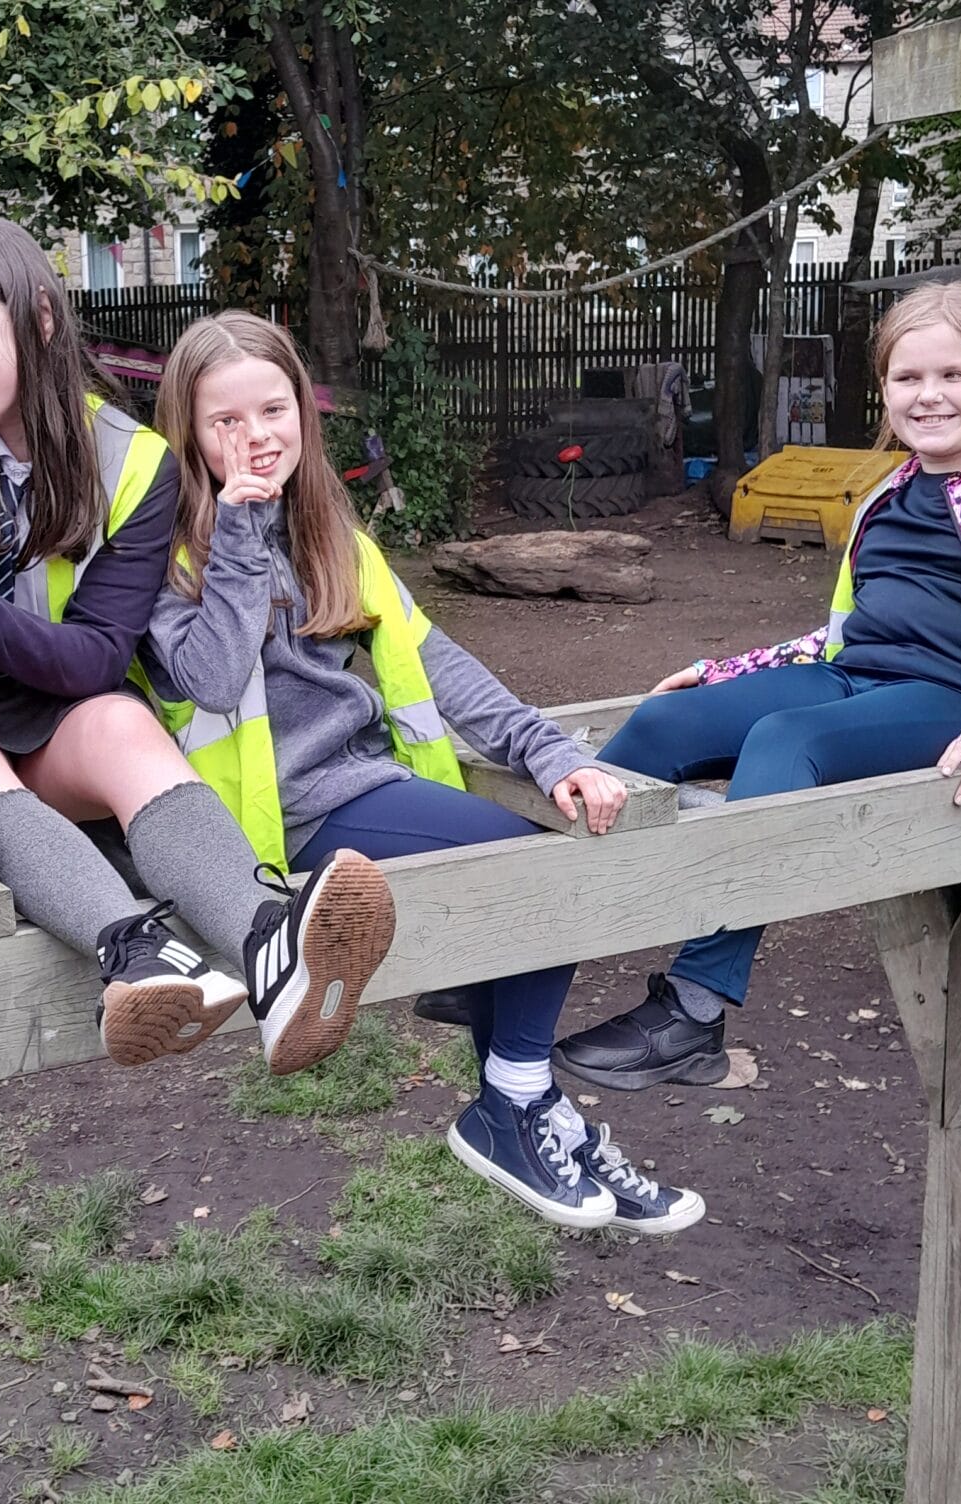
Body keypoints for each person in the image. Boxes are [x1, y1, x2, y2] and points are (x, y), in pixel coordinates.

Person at [141, 311, 705, 1235]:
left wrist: (548, 750)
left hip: (358, 784)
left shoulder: (327, 530)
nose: (255, 438)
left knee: (548, 851)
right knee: (537, 873)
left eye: (272, 410)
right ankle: (516, 1106)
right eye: (225, 422)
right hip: (268, 821)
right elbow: (207, 676)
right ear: (189, 433)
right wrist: (237, 533)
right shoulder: (170, 551)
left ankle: (530, 1109)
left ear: (303, 414)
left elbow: (437, 664)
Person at [0, 216, 396, 1078]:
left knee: (123, 722)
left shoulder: (136, 462)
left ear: (40, 320)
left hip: (53, 708)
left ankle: (270, 947)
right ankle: (134, 955)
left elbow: (96, 654)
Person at [554, 280, 961, 1091]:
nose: (929, 395)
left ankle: (692, 1011)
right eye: (907, 379)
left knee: (786, 742)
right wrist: (729, 669)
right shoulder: (882, 496)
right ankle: (536, 949)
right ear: (886, 390)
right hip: (857, 676)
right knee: (664, 722)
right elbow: (841, 634)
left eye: (954, 375)